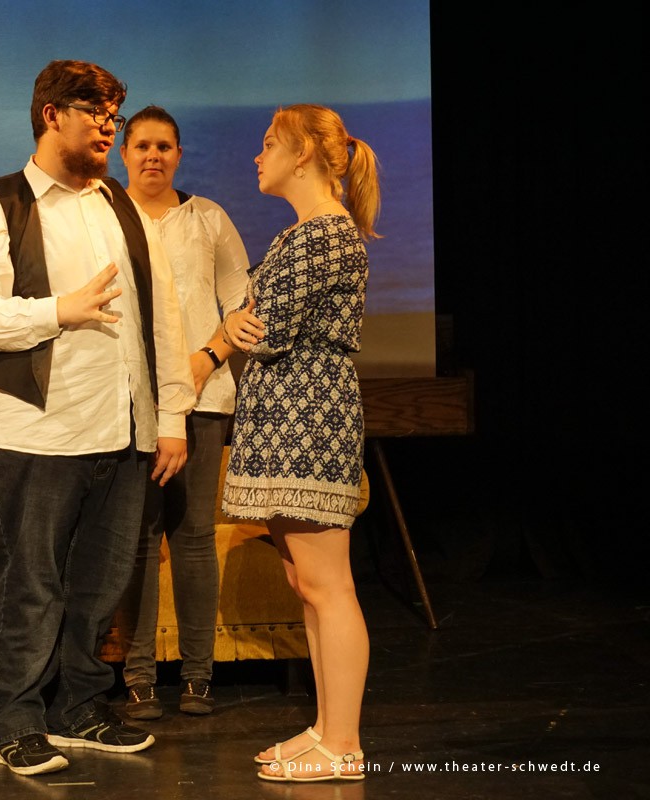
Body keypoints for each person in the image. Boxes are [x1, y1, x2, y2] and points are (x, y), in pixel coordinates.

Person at [0, 60, 196, 776]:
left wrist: (171, 416)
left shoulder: (119, 204)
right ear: (52, 114)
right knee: (29, 583)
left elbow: (163, 315)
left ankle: (79, 706)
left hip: (123, 426)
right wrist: (61, 310)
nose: (109, 127)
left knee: (101, 581)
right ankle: (15, 718)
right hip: (38, 429)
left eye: (114, 114)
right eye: (95, 112)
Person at [219, 103, 380, 783]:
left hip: (309, 421)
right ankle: (325, 728)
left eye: (268, 144)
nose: (258, 156)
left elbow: (269, 328)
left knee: (327, 583)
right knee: (305, 581)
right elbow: (251, 319)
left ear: (304, 154)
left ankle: (344, 743)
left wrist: (239, 321)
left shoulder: (324, 234)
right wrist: (238, 319)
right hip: (289, 418)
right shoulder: (301, 233)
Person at [113, 105, 250, 720]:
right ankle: (139, 677)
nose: (153, 155)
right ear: (123, 153)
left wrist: (206, 357)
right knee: (140, 541)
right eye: (142, 145)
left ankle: (198, 677)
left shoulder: (208, 219)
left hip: (203, 400)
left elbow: (244, 305)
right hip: (129, 405)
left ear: (178, 155)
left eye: (164, 146)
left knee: (193, 539)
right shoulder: (105, 215)